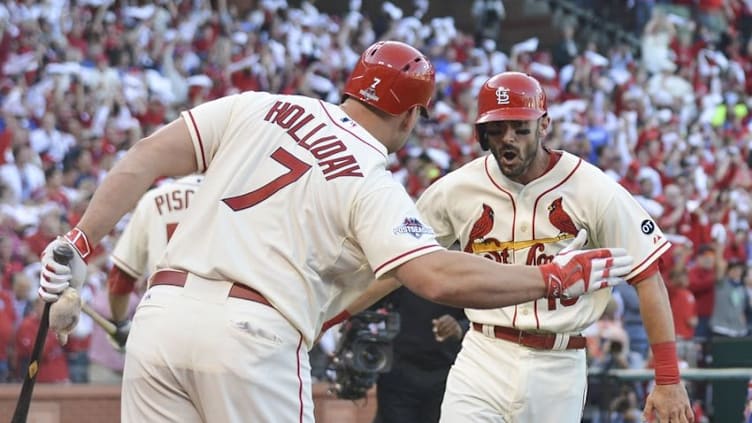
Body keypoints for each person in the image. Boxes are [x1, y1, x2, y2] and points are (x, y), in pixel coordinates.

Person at [35, 42, 631, 422]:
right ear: (407, 115)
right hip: (251, 335)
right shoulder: (371, 180)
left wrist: (82, 240)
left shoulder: (257, 105)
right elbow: (436, 275)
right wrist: (552, 275)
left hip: (160, 318)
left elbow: (143, 156)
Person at [411, 72, 691, 422]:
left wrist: (668, 379)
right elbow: (406, 257)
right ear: (482, 133)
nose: (507, 139)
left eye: (520, 128)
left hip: (559, 362)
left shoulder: (591, 187)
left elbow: (647, 277)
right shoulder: (456, 189)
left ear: (544, 125)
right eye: (496, 130)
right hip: (483, 352)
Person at [373, 287, 467, 423]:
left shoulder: (462, 273)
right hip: (399, 371)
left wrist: (460, 327)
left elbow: (482, 315)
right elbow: (372, 300)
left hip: (446, 373)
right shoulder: (405, 271)